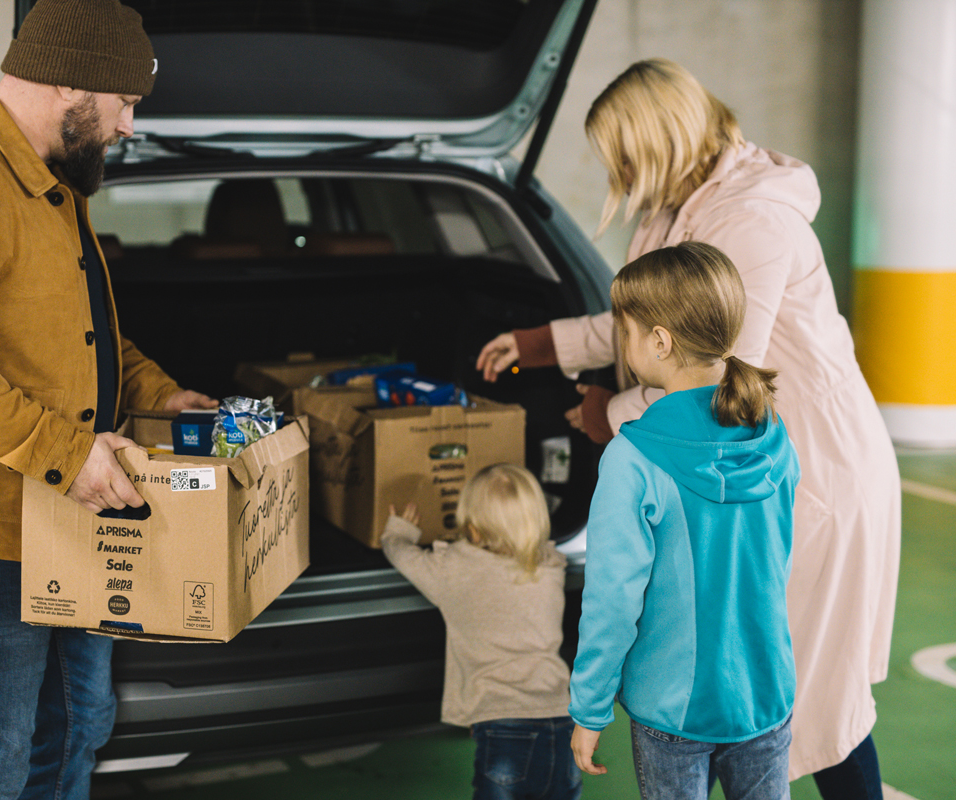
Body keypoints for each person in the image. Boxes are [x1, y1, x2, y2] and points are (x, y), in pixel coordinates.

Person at [477, 58, 900, 797]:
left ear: (660, 138)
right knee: (779, 686)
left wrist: (607, 419)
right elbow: (648, 325)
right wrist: (541, 343)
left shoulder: (752, 222)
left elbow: (716, 373)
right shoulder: (682, 205)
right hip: (746, 461)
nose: (619, 170)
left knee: (819, 697)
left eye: (624, 152)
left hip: (810, 469)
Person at [0, 1, 216, 797]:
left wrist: (164, 396)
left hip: (62, 507)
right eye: (124, 104)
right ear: (69, 85)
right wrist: (67, 453)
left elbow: (87, 338)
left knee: (78, 726)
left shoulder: (55, 187)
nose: (128, 126)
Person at [569, 241, 798, 799]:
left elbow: (612, 597)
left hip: (673, 708)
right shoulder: (774, 436)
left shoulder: (633, 458)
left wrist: (590, 707)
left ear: (660, 342)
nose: (624, 346)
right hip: (764, 694)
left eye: (627, 332)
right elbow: (776, 557)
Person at [381, 464, 580, 800]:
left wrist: (398, 531)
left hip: (502, 726)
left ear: (472, 527)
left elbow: (401, 554)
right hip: (562, 719)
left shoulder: (453, 571)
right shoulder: (550, 568)